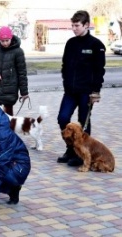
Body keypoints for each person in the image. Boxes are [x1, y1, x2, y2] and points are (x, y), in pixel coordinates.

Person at [57, 10, 105, 166]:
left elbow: (99, 71)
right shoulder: (70, 43)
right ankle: (71, 149)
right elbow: (65, 65)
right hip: (70, 91)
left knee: (83, 121)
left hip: (86, 92)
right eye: (72, 25)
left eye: (77, 25)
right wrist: (66, 82)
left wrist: (96, 91)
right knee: (63, 118)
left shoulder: (96, 45)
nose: (74, 28)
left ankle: (82, 154)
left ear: (86, 25)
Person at [0, 26, 29, 116]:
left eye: (7, 40)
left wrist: (24, 92)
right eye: (2, 41)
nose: (5, 43)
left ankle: (9, 129)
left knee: (8, 114)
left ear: (11, 38)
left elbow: (22, 73)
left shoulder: (18, 52)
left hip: (11, 89)